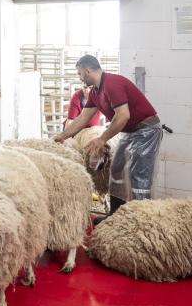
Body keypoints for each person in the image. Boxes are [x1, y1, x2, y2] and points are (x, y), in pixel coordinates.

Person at [54, 55, 164, 224]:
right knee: (117, 170)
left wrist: (101, 139)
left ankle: (143, 222)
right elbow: (83, 118)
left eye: (80, 74)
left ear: (87, 70)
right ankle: (115, 217)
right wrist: (62, 136)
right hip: (130, 132)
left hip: (145, 131)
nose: (80, 77)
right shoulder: (96, 92)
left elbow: (123, 116)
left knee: (139, 177)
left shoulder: (111, 83)